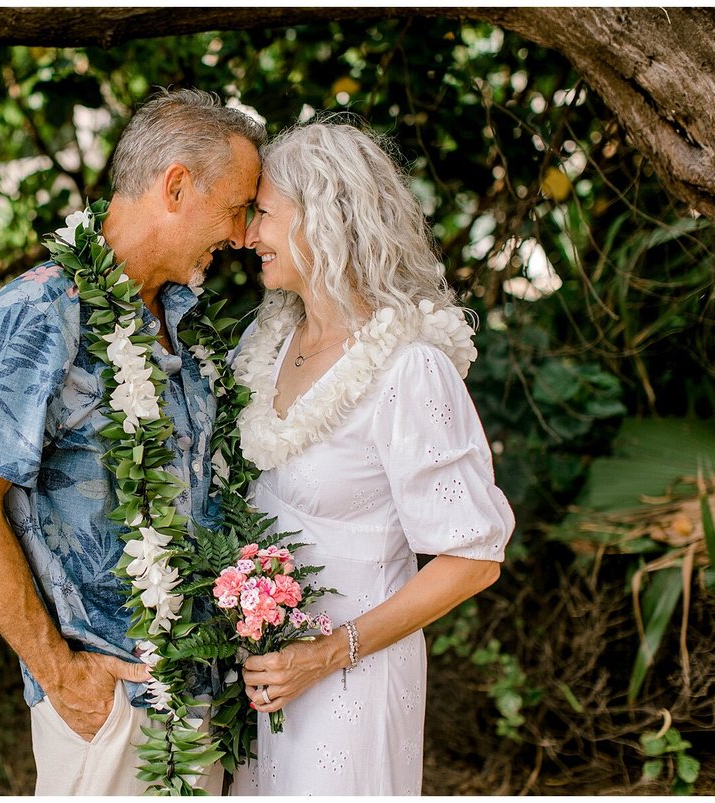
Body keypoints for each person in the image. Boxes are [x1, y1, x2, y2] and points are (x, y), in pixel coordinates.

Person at [0, 88, 264, 796]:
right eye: (235, 207)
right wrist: (60, 672)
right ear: (176, 185)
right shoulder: (38, 311)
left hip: (209, 698)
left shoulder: (187, 323)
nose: (240, 235)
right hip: (110, 704)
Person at [228, 120, 515, 795]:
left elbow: (473, 559)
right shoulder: (264, 341)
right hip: (260, 679)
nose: (246, 235)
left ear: (323, 217)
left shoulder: (407, 368)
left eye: (263, 212)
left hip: (351, 680)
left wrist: (328, 653)